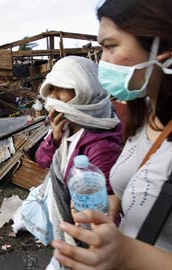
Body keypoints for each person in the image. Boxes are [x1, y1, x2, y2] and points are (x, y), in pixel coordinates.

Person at [52, 0, 172, 269]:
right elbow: (140, 176)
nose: (101, 61)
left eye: (110, 46)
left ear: (161, 47)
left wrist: (127, 254)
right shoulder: (145, 112)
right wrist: (113, 202)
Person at [35, 55, 123, 195]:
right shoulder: (64, 125)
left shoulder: (101, 148)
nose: (53, 96)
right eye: (51, 88)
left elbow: (100, 208)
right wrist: (54, 139)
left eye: (62, 88)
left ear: (86, 90)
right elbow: (42, 160)